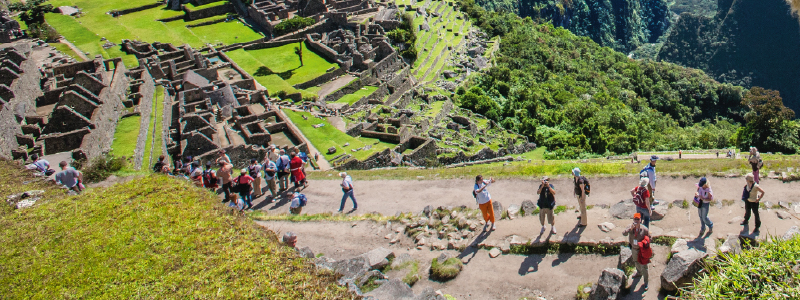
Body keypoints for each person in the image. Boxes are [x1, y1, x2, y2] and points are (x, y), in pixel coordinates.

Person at [623, 213, 652, 291]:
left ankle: (646, 282)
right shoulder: (630, 227)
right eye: (635, 219)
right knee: (636, 261)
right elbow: (624, 233)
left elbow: (650, 238)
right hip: (634, 248)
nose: (636, 221)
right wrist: (629, 229)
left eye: (638, 219)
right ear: (633, 219)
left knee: (644, 266)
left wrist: (645, 243)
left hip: (642, 250)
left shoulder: (644, 229)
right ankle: (639, 272)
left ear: (640, 220)